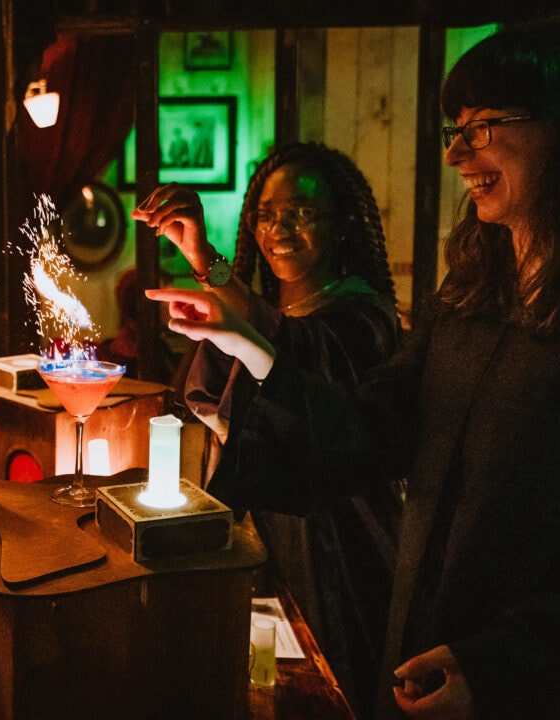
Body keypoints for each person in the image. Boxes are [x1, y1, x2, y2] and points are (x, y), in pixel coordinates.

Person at [147, 15, 560, 720]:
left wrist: (497, 666)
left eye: (483, 125)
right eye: (454, 129)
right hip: (420, 654)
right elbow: (369, 427)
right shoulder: (466, 305)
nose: (458, 153)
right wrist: (248, 345)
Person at [132, 142, 401, 718]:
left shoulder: (365, 321)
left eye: (300, 212)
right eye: (267, 214)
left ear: (343, 223)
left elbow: (293, 357)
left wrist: (205, 261)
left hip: (334, 555)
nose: (279, 227)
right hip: (263, 540)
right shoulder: (266, 315)